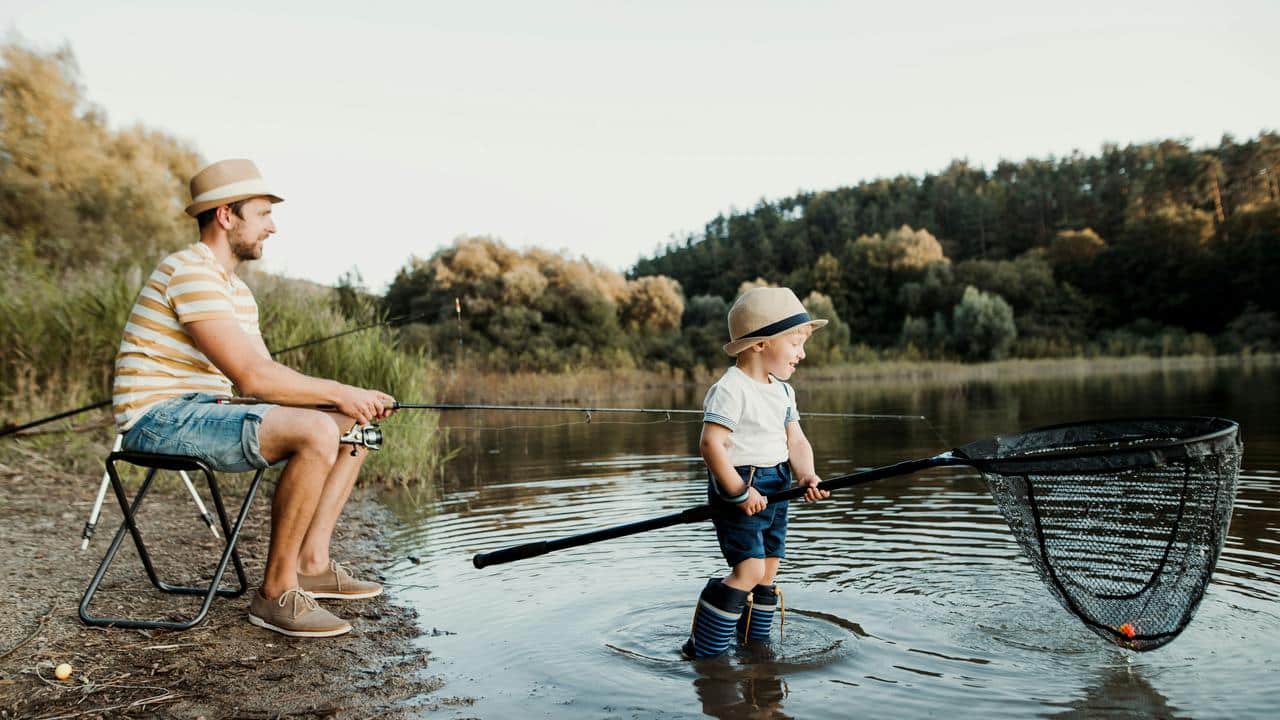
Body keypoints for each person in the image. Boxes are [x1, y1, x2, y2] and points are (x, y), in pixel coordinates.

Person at [112, 158, 396, 638]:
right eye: (263, 214)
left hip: (206, 410)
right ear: (226, 215)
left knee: (353, 427)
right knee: (314, 430)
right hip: (159, 419)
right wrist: (342, 392)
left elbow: (271, 381)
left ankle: (311, 563)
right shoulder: (188, 271)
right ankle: (274, 593)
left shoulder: (238, 293)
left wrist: (345, 403)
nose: (273, 227)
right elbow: (254, 378)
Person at [682, 286, 830, 658]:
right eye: (795, 343)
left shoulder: (783, 392)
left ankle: (754, 649)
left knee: (767, 572)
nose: (803, 353)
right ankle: (705, 651)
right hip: (742, 484)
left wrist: (807, 476)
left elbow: (796, 441)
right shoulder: (730, 389)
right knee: (747, 570)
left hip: (778, 482)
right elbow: (711, 445)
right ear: (761, 344)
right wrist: (737, 490)